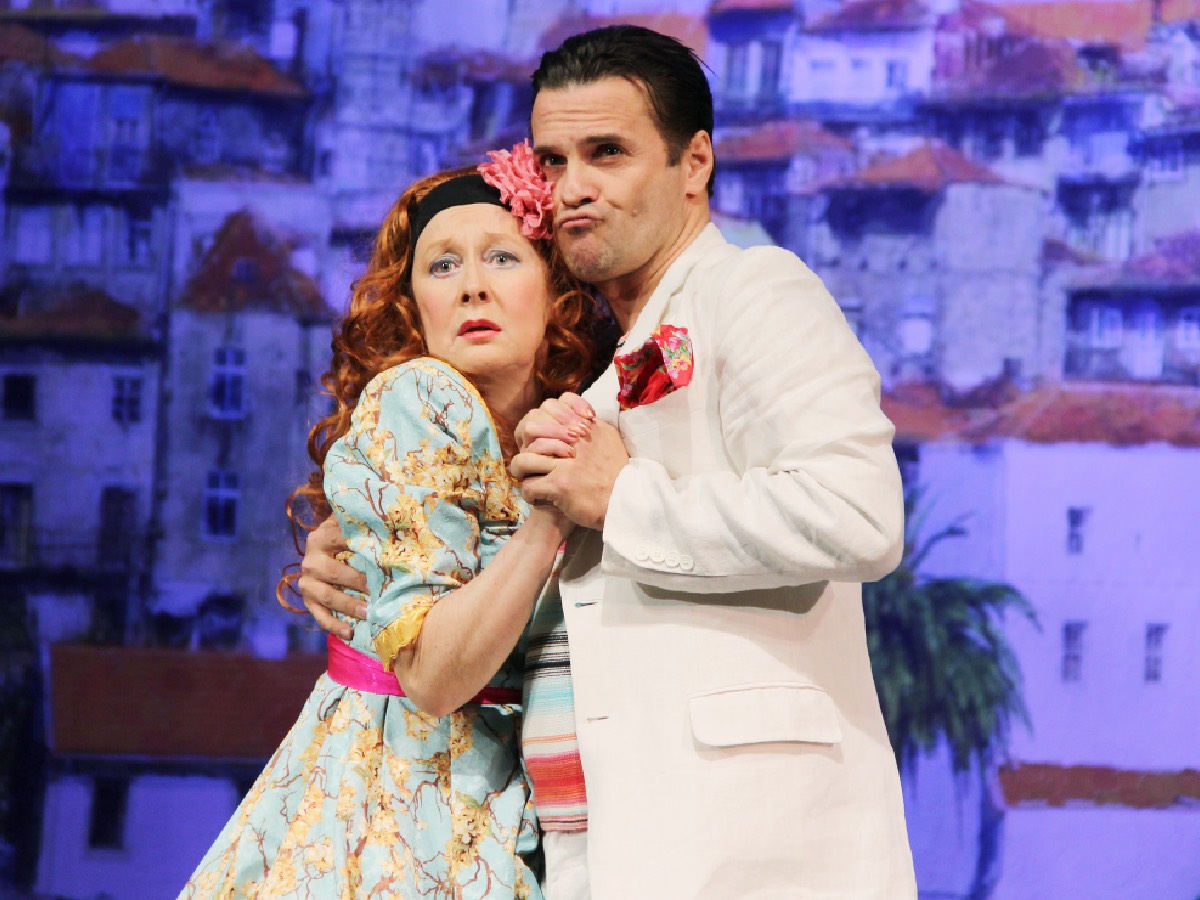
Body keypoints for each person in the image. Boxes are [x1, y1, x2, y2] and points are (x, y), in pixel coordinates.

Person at [305, 25, 918, 899]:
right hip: (594, 850)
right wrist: (375, 552)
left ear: (693, 163)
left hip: (751, 846)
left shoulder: (753, 291)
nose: (574, 188)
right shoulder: (590, 368)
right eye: (552, 162)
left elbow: (858, 513)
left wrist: (622, 497)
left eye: (608, 153)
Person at [180, 155, 602, 898]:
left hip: (501, 792)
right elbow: (434, 677)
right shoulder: (421, 395)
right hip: (404, 803)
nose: (472, 285)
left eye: (503, 257)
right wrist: (548, 521)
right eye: (442, 265)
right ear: (414, 306)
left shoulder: (584, 415)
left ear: (555, 289)